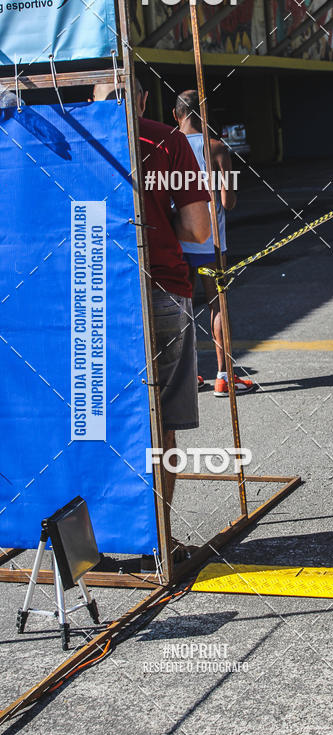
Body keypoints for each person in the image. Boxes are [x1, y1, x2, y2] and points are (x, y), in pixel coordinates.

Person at [93, 81, 211, 547]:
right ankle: (155, 542)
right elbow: (199, 227)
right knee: (159, 421)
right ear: (142, 99)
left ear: (93, 98)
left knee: (94, 419)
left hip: (88, 296)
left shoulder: (69, 139)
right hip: (160, 287)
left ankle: (96, 538)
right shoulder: (167, 139)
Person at [173, 89, 256, 397]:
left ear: (175, 115)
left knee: (179, 307)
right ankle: (224, 376)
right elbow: (228, 201)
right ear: (205, 115)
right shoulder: (218, 149)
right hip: (211, 243)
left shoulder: (167, 147)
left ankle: (187, 375)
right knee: (216, 303)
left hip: (178, 240)